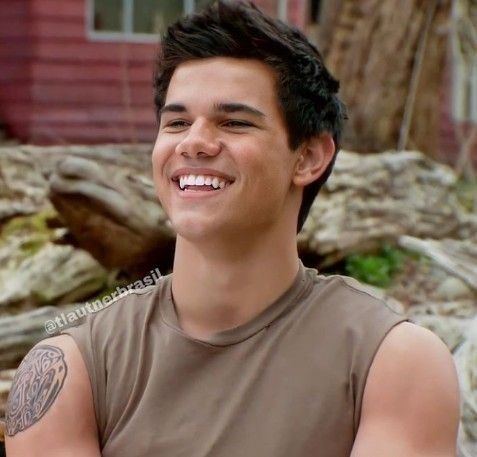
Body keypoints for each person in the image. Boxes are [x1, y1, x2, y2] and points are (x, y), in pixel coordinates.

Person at [5, 1, 460, 456]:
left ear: (308, 157)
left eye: (234, 122)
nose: (194, 143)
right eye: (177, 122)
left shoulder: (391, 361)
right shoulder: (68, 370)